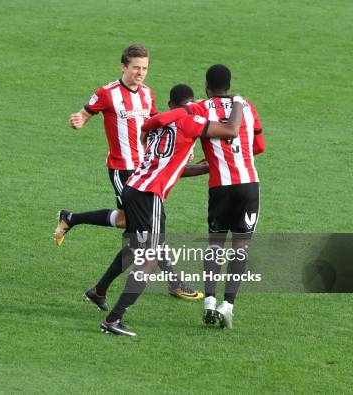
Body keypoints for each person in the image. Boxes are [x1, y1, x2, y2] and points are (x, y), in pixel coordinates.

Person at [54, 44, 201, 305]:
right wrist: (79, 120)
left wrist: (180, 147)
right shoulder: (106, 93)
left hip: (145, 170)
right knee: (147, 228)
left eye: (144, 68)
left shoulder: (147, 94)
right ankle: (173, 283)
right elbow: (86, 113)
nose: (140, 73)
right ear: (124, 66)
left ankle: (72, 221)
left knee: (131, 227)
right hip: (122, 170)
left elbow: (156, 123)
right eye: (135, 68)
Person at [100, 85, 245, 336]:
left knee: (136, 248)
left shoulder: (160, 126)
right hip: (149, 196)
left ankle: (98, 291)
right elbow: (231, 129)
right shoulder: (189, 122)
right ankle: (113, 319)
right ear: (190, 104)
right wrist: (239, 103)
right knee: (149, 260)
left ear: (171, 105)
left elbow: (174, 166)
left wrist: (206, 168)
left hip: (133, 188)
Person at [196, 64, 266, 329]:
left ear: (207, 85)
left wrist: (214, 158)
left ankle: (209, 301)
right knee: (241, 247)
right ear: (229, 84)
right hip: (248, 185)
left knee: (215, 244)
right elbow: (259, 146)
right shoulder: (246, 106)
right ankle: (228, 305)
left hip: (220, 187)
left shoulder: (201, 108)